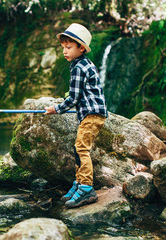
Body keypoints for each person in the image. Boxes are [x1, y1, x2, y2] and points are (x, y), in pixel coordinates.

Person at [44, 23, 108, 208]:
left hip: (92, 114)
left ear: (81, 48)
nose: (65, 51)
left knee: (82, 149)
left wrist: (56, 109)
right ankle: (79, 183)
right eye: (63, 47)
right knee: (78, 149)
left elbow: (73, 97)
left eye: (69, 47)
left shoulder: (79, 67)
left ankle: (87, 188)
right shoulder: (83, 63)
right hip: (90, 113)